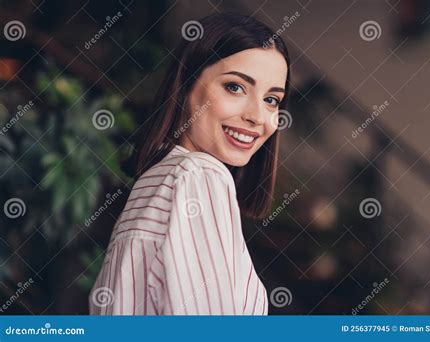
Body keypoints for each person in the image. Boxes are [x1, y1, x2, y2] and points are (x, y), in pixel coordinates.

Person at [89, 12, 291, 315]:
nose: (258, 116)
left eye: (271, 100)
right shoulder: (198, 176)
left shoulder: (162, 179)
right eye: (235, 87)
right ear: (186, 86)